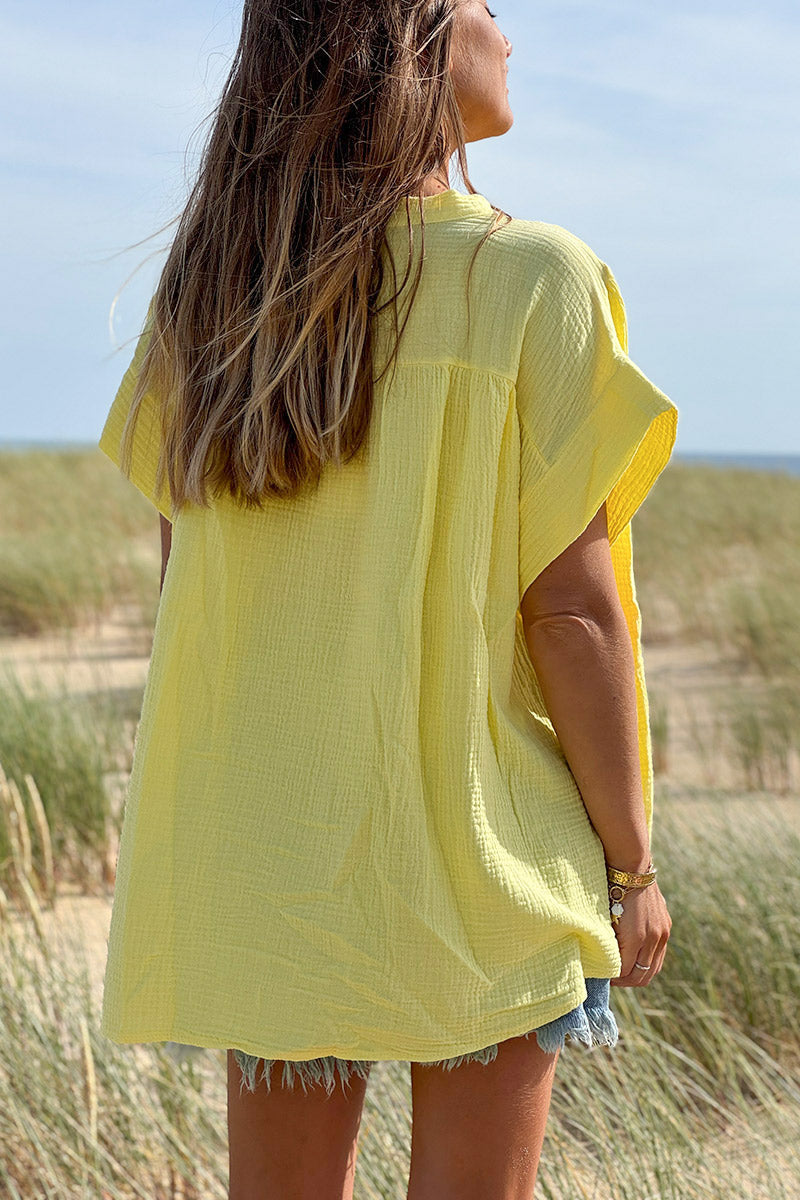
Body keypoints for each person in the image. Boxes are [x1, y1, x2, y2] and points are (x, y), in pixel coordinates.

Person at [97, 1, 678, 1197]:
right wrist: (630, 867)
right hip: (470, 852)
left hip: (260, 851)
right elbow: (569, 614)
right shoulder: (528, 277)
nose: (508, 33)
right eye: (486, 5)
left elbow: (189, 594)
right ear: (405, 33)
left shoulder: (212, 297)